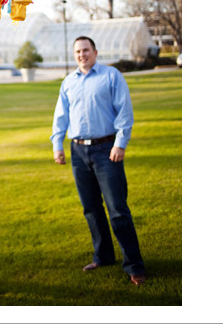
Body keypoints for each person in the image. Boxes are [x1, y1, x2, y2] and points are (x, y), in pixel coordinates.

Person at [52, 36, 146, 286]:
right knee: (91, 209)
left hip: (107, 150)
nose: (82, 54)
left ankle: (134, 266)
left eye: (86, 50)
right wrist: (57, 145)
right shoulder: (68, 82)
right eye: (77, 51)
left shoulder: (111, 76)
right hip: (78, 152)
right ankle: (103, 257)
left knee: (117, 209)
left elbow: (124, 111)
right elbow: (61, 116)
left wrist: (120, 143)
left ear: (95, 51)